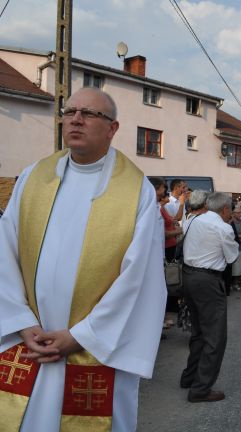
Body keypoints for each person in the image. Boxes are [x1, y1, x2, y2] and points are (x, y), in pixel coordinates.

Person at [0, 87, 167, 431]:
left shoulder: (137, 191)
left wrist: (81, 336)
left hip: (92, 346)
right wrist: (21, 321)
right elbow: (5, 249)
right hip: (28, 340)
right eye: (70, 111)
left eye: (90, 114)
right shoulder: (34, 177)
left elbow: (140, 278)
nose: (76, 119)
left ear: (113, 128)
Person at [180, 192, 239, 403]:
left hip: (188, 276)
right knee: (215, 336)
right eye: (230, 209)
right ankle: (200, 389)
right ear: (224, 209)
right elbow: (232, 257)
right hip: (208, 281)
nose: (231, 213)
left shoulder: (193, 219)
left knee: (198, 332)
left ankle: (189, 377)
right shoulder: (222, 228)